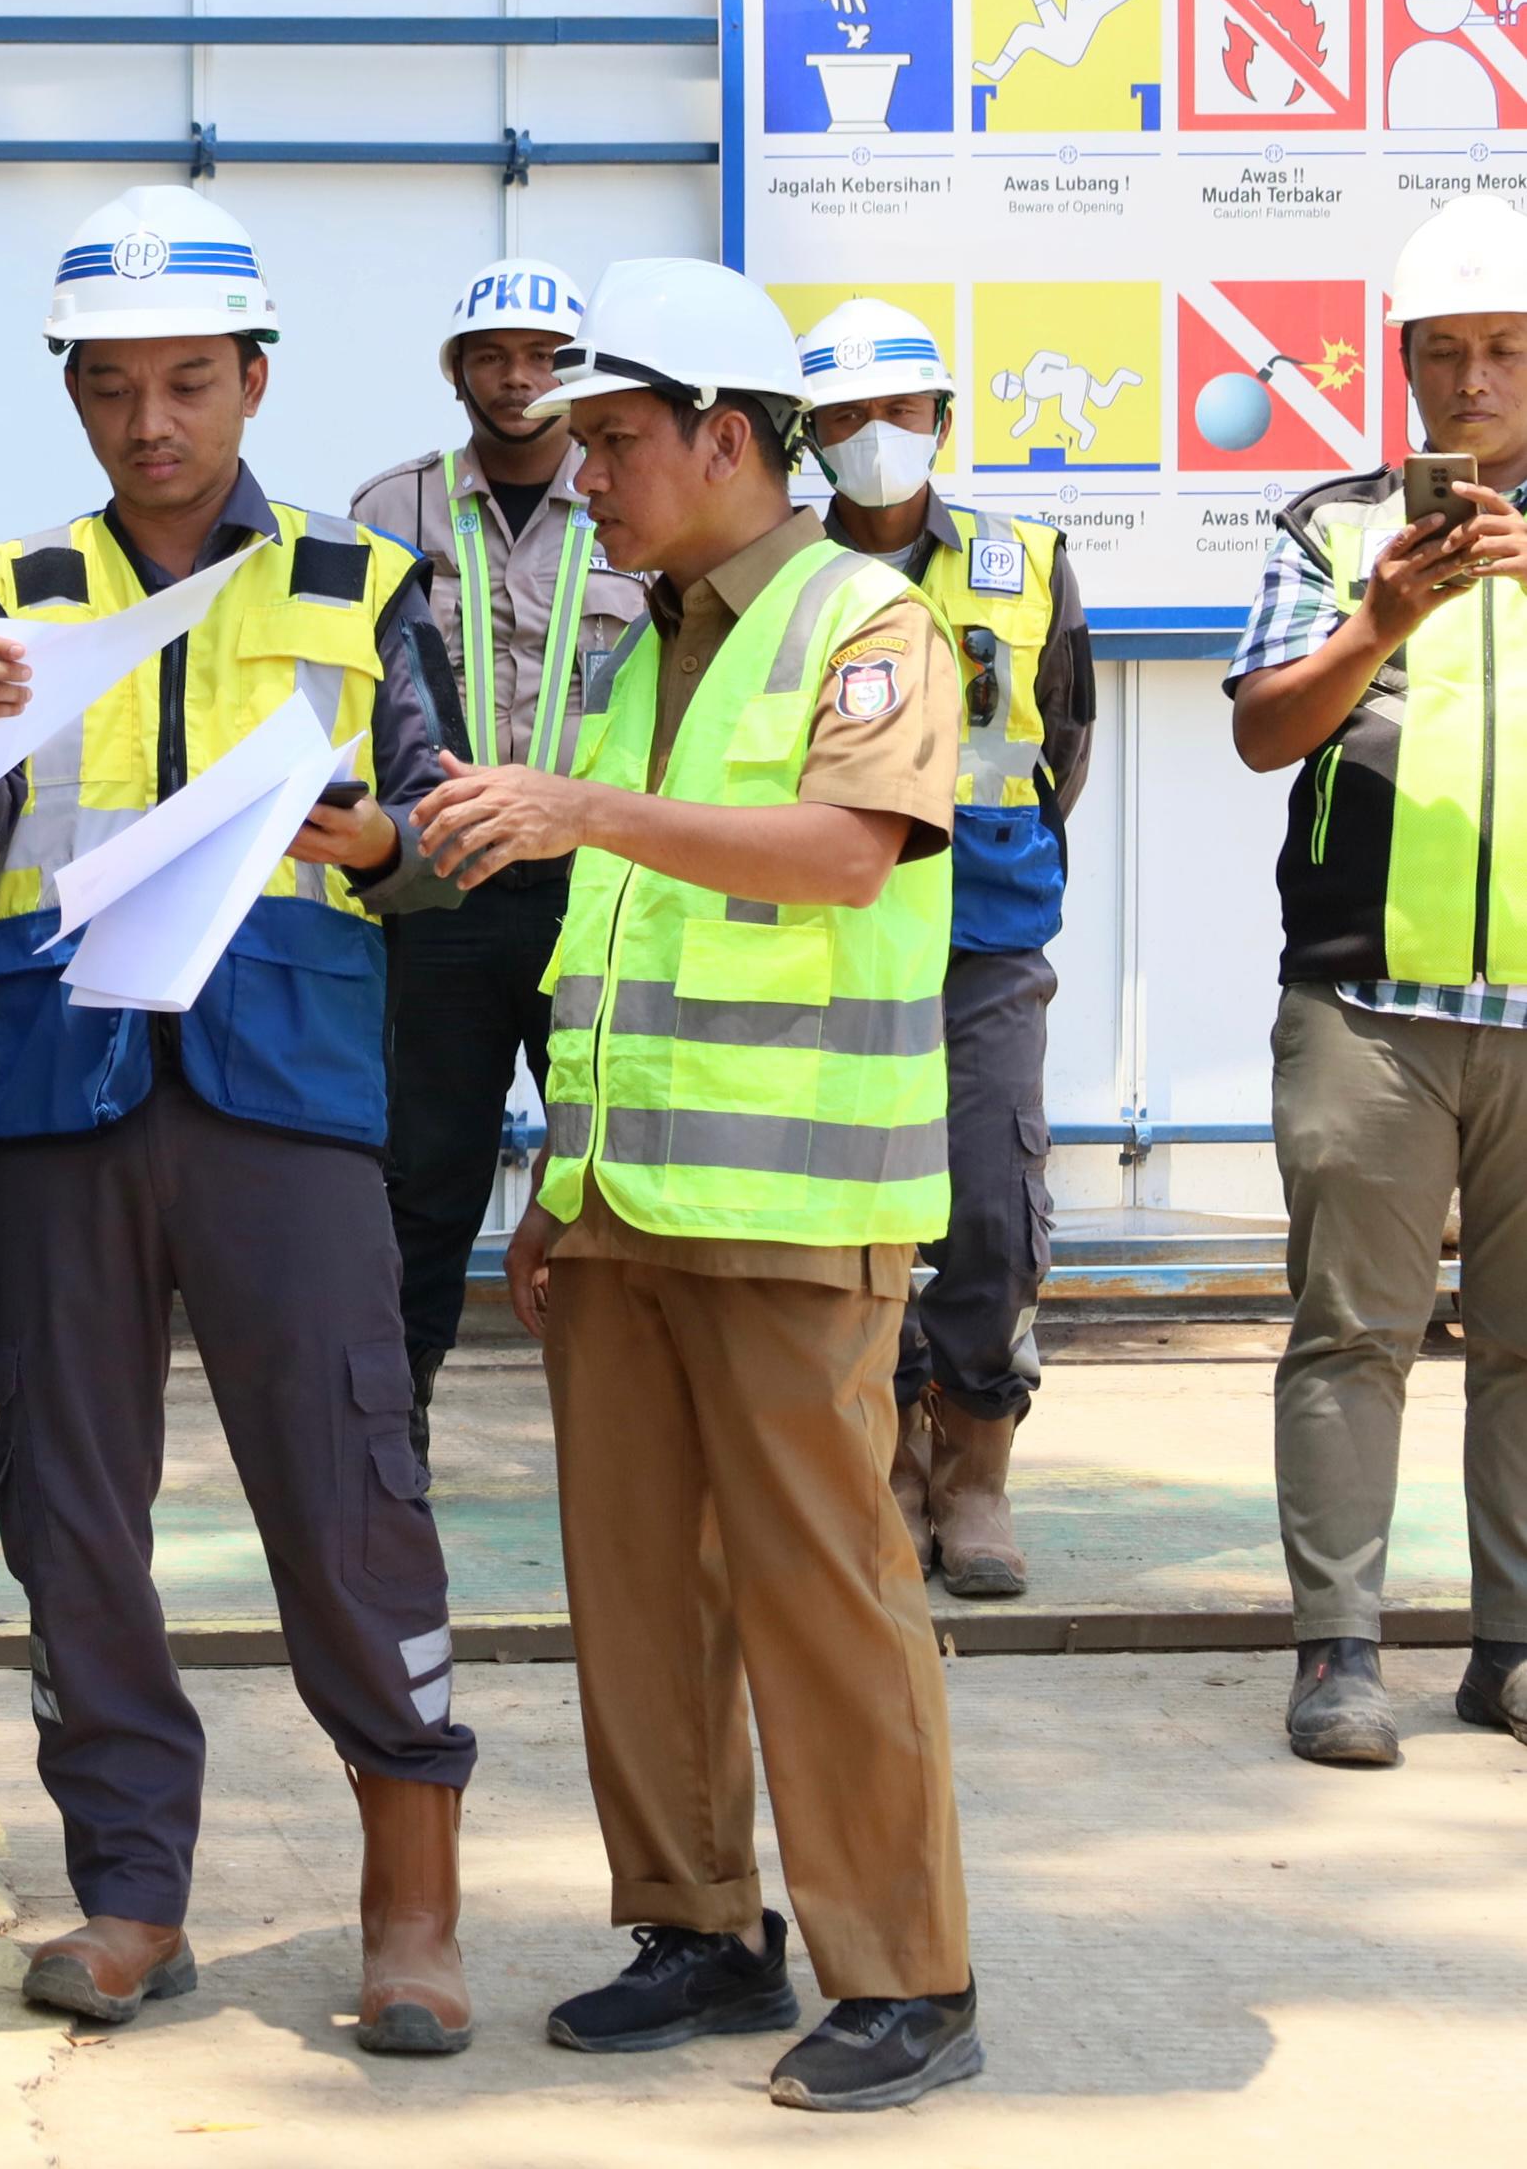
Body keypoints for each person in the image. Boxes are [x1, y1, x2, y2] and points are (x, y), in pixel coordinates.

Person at [0, 184, 480, 2053]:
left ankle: (411, 1900)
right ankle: (131, 1893)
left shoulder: (364, 583)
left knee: (345, 1478)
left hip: (283, 1086)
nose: (147, 421)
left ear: (253, 379)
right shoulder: (12, 591)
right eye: (109, 386)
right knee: (69, 1499)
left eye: (186, 382)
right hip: (61, 1083)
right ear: (73, 391)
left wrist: (377, 838)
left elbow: (438, 832)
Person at [419, 259, 982, 2112]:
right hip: (624, 1208)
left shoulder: (866, 618)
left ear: (724, 436)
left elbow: (844, 851)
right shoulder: (644, 642)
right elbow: (622, 935)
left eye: (612, 439)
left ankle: (908, 1974)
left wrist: (578, 806)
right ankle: (698, 1926)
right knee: (642, 1589)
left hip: (797, 1211)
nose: (582, 474)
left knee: (826, 1594)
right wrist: (558, 1183)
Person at [1225, 190, 1527, 1767]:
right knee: (1352, 1334)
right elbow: (1264, 729)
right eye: (1444, 349)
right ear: (1401, 362)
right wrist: (1380, 618)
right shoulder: (1334, 526)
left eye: (1507, 348)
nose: (1474, 379)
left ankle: (1512, 1650)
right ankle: (1339, 1652)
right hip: (1366, 1010)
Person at [800, 298, 1095, 1599]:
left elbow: (1059, 746)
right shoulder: (779, 576)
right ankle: (891, 1460)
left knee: (989, 1211)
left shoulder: (1026, 561)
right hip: (835, 938)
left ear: (942, 421)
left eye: (900, 411)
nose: (876, 435)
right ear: (807, 434)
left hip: (984, 937)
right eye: (846, 415)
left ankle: (976, 1463)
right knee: (858, 1214)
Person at [351, 257, 642, 1458]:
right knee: (420, 1178)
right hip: (444, 891)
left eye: (542, 358)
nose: (517, 378)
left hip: (595, 888)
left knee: (613, 1169)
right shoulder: (390, 509)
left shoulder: (634, 498)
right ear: (457, 373)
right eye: (491, 356)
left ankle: (629, 1433)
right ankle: (391, 1429)